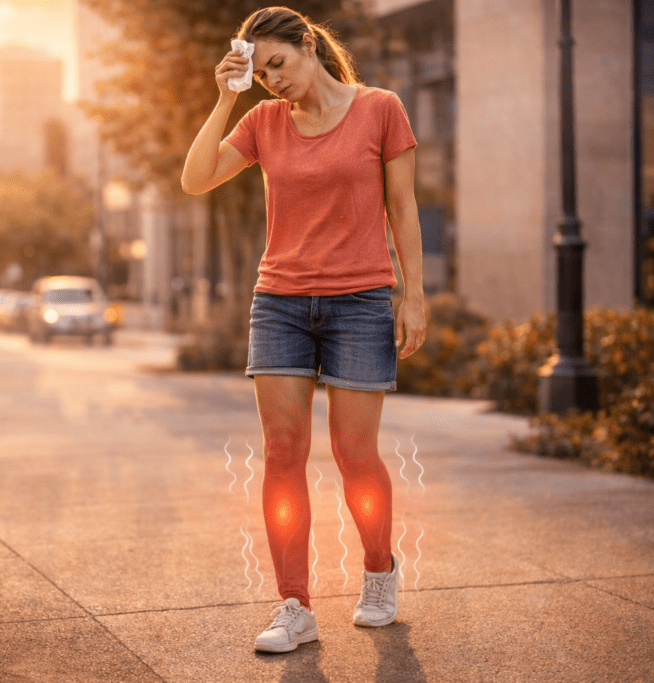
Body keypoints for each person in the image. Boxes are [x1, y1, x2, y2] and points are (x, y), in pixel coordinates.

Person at [181, 6, 427, 653]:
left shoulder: (380, 109)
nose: (272, 81)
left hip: (361, 302)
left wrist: (415, 295)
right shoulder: (262, 123)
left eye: (278, 65)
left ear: (308, 45)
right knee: (283, 454)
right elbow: (195, 176)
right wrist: (223, 99)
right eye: (260, 74)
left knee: (354, 454)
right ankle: (295, 603)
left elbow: (403, 207)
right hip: (281, 303)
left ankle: (379, 572)